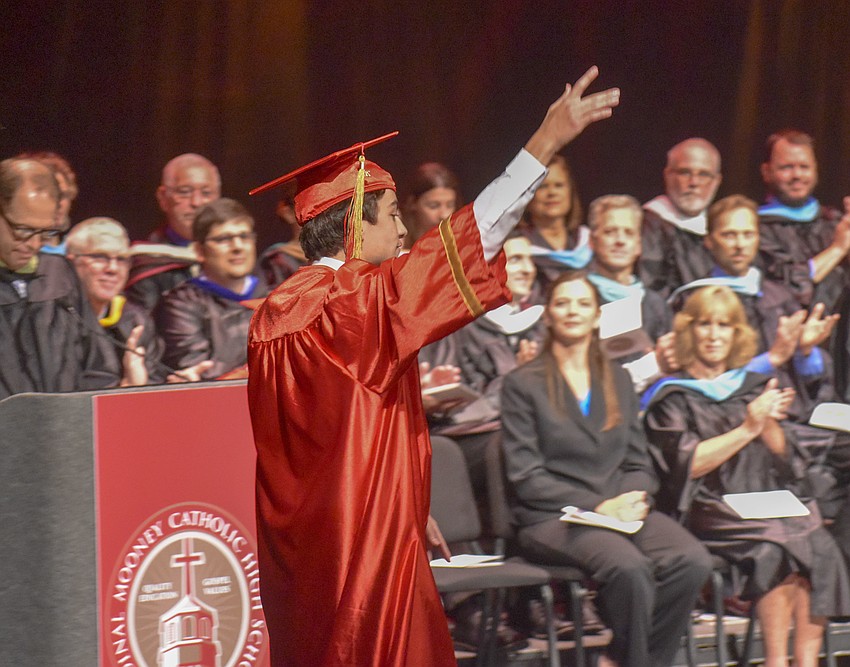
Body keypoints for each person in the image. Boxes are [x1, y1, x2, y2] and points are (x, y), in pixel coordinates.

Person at [246, 66, 620, 666]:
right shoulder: (345, 310)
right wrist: (543, 144)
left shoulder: (278, 312)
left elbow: (332, 441)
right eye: (392, 214)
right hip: (361, 560)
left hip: (313, 551)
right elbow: (469, 240)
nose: (402, 231)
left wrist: (405, 503)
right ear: (350, 224)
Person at [499, 270, 710, 667]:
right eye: (563, 303)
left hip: (617, 506)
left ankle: (625, 660)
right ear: (547, 315)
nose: (573, 311)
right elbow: (526, 477)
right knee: (629, 568)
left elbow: (637, 461)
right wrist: (600, 506)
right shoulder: (522, 384)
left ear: (598, 315)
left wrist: (633, 496)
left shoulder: (615, 378)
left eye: (583, 303)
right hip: (552, 516)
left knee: (691, 560)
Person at [643, 285, 850, 667]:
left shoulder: (751, 387)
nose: (714, 334)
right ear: (689, 331)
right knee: (776, 545)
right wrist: (748, 428)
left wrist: (769, 426)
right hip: (707, 505)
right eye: (704, 324)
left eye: (724, 325)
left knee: (818, 539)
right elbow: (687, 465)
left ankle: (805, 661)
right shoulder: (670, 397)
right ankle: (775, 660)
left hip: (759, 498)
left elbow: (788, 461)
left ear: (738, 333)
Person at [0, 157, 118, 399]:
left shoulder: (60, 275)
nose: (33, 244)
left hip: (64, 431)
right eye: (22, 230)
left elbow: (100, 367)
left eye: (45, 232)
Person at [65, 217, 212, 386]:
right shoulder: (56, 320)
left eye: (121, 259)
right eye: (100, 257)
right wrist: (126, 388)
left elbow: (151, 384)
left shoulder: (135, 320)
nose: (112, 269)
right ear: (71, 262)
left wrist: (174, 385)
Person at [155, 197, 266, 380]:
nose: (237, 247)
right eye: (224, 239)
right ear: (199, 251)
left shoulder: (275, 298)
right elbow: (196, 369)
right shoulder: (181, 305)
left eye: (244, 236)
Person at [586, 194, 677, 392]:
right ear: (592, 241)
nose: (620, 241)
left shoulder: (655, 305)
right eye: (610, 231)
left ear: (638, 245)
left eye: (628, 233)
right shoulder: (577, 298)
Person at [758, 129, 850, 310]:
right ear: (766, 172)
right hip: (787, 331)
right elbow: (791, 284)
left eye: (804, 167)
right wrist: (838, 249)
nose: (797, 176)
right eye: (787, 167)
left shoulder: (835, 222)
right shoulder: (755, 230)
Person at [125, 153, 221, 311]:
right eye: (184, 192)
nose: (196, 203)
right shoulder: (147, 261)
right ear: (163, 198)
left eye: (206, 193)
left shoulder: (234, 257)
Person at [640, 138, 722, 295]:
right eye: (685, 172)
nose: (694, 182)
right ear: (668, 175)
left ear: (717, 181)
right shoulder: (647, 226)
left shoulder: (719, 231)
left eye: (704, 174)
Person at [519, 154, 590, 288]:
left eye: (559, 185)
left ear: (570, 191)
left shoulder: (587, 242)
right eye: (543, 187)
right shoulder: (517, 245)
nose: (552, 193)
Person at [401, 161, 462, 249]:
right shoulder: (398, 244)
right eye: (434, 206)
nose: (444, 215)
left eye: (450, 205)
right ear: (412, 203)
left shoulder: (462, 243)